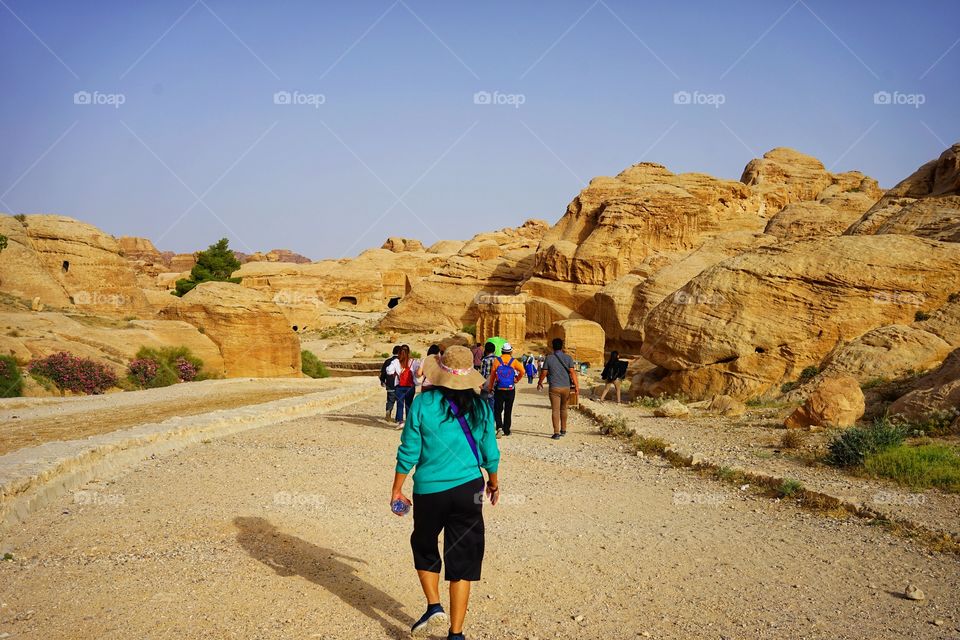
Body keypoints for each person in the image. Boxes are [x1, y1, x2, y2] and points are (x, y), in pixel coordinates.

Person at [392, 345, 500, 640]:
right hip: (468, 489)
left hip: (430, 491)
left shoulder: (423, 404)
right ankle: (456, 633)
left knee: (424, 545)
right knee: (462, 559)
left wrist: (397, 488)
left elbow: (409, 450)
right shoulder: (481, 407)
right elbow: (490, 450)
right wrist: (493, 482)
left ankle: (433, 605)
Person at [537, 338, 579, 440]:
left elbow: (544, 372)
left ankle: (556, 433)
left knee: (555, 410)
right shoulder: (568, 358)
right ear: (562, 346)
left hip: (554, 387)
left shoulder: (549, 358)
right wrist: (577, 386)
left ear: (552, 346)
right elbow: (572, 373)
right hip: (566, 387)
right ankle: (563, 430)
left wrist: (540, 382)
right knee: (564, 408)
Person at [485, 342, 523, 437]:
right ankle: (507, 430)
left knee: (498, 409)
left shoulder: (497, 361)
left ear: (502, 351)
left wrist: (490, 387)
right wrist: (516, 379)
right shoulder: (513, 361)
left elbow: (493, 375)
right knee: (508, 409)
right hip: (510, 389)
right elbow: (522, 371)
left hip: (499, 388)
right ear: (510, 352)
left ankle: (499, 428)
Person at [386, 345, 420, 427]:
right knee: (409, 404)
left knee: (400, 404)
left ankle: (400, 421)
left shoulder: (396, 362)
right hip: (410, 387)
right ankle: (408, 422)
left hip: (399, 386)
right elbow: (417, 372)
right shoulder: (413, 362)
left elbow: (389, 371)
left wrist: (396, 373)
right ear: (409, 352)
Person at [379, 345, 401, 421]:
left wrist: (382, 381)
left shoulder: (388, 361)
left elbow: (383, 373)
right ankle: (399, 417)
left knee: (390, 400)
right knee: (400, 401)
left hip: (390, 384)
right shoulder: (402, 361)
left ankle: (388, 412)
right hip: (400, 384)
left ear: (393, 352)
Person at [477, 341, 497, 412]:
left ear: (486, 350)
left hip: (487, 383)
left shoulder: (485, 360)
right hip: (496, 382)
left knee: (483, 401)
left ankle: (485, 416)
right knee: (493, 400)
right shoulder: (498, 359)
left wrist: (481, 383)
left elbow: (483, 373)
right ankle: (492, 417)